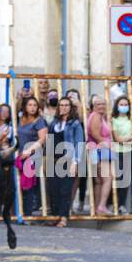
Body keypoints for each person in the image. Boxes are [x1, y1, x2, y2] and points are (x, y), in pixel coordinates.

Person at [48, 96, 84, 228]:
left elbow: (79, 143)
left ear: (70, 108)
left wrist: (75, 162)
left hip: (68, 160)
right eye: (61, 105)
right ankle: (56, 216)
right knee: (53, 189)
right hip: (54, 160)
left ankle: (63, 217)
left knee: (65, 189)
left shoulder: (75, 124)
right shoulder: (53, 123)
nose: (63, 107)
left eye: (66, 105)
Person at [16, 95, 48, 216]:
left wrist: (29, 151)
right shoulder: (20, 119)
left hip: (33, 155)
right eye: (30, 105)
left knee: (29, 184)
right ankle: (20, 211)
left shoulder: (39, 121)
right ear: (25, 107)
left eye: (35, 105)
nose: (33, 107)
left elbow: (42, 140)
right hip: (20, 155)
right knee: (20, 183)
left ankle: (28, 212)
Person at [111, 95, 132, 213]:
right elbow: (116, 139)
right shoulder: (113, 119)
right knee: (116, 178)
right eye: (121, 104)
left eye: (126, 105)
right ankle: (113, 203)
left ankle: (121, 205)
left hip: (127, 151)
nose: (124, 107)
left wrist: (130, 139)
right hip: (116, 151)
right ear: (117, 106)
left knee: (126, 179)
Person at [85, 95, 115, 215]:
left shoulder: (97, 116)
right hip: (100, 149)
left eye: (103, 104)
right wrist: (106, 143)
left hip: (95, 149)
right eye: (98, 104)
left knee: (99, 181)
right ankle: (101, 206)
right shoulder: (96, 116)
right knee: (108, 179)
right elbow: (96, 134)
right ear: (93, 106)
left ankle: (97, 207)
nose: (101, 106)